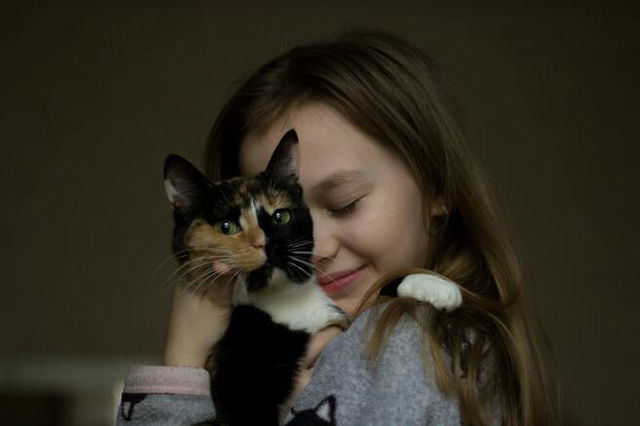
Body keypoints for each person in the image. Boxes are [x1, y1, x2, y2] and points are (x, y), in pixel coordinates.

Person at [117, 31, 562, 426]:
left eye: (345, 204)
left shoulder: (402, 343)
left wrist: (181, 364)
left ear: (436, 188)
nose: (310, 248)